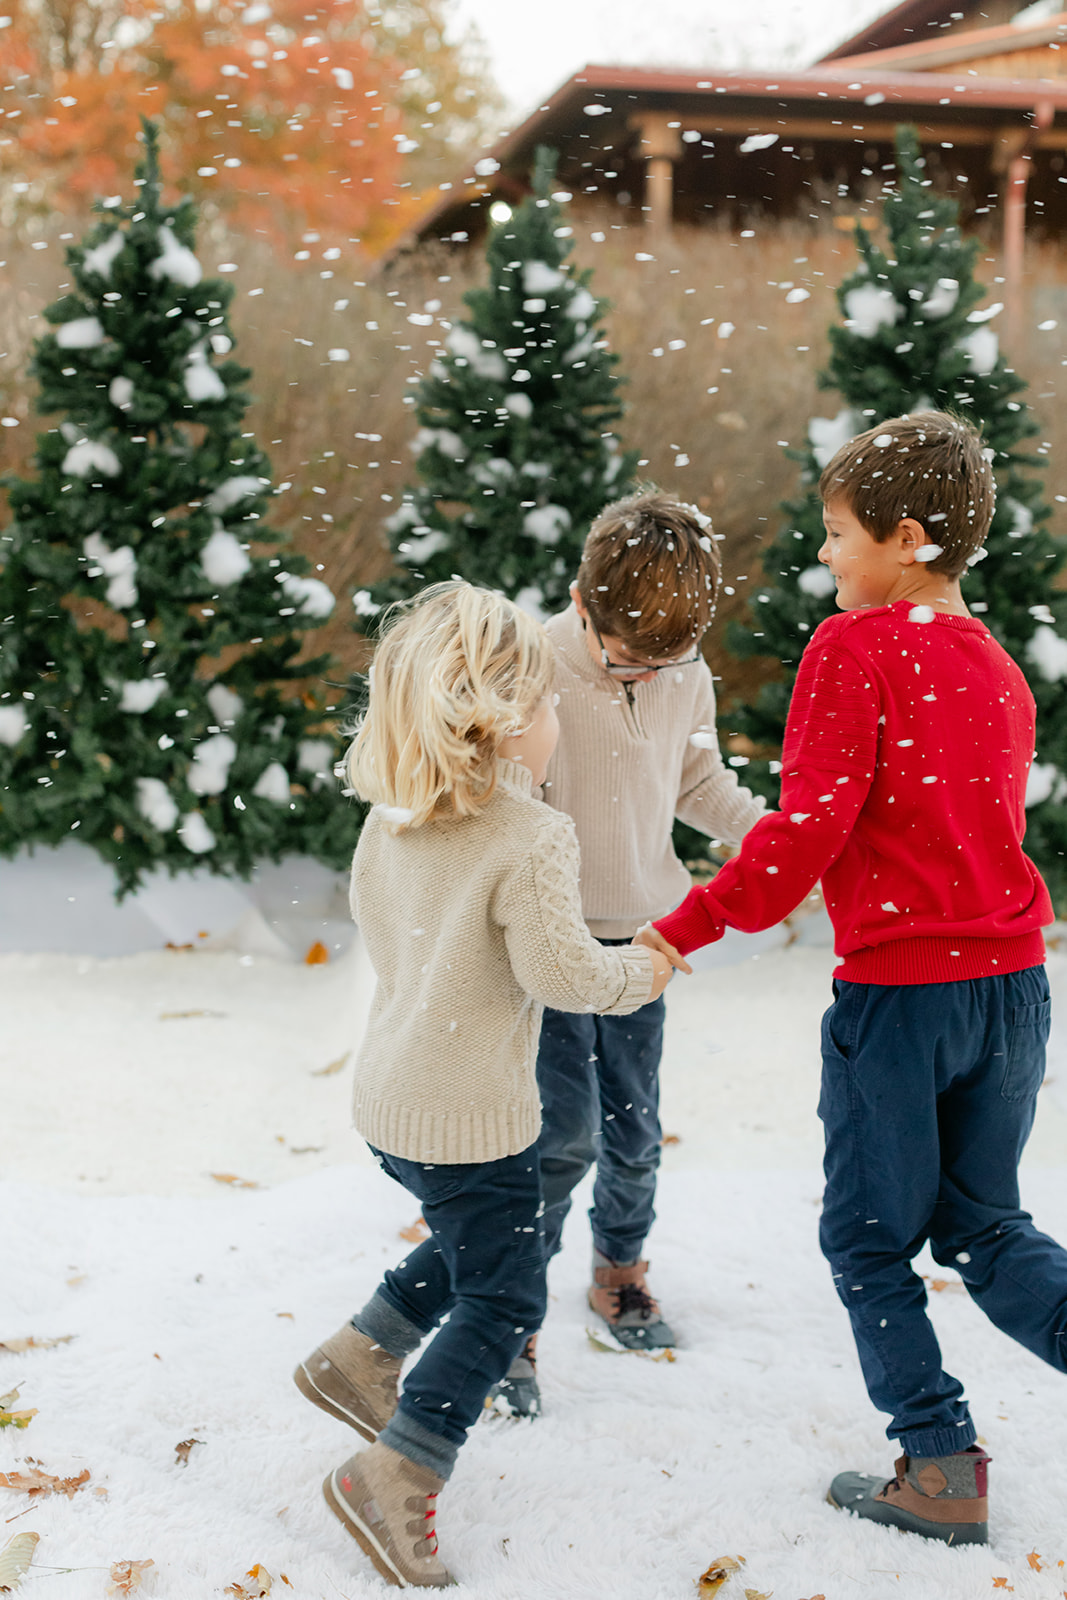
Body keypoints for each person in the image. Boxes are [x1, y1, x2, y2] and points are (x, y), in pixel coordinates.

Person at [637, 411, 1065, 1548]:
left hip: (905, 997)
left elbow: (803, 834)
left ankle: (935, 1464)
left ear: (908, 538)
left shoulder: (855, 650)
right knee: (982, 1225)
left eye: (835, 534)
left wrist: (681, 929)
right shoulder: (997, 670)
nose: (822, 555)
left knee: (870, 1240)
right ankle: (937, 1450)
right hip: (1014, 985)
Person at [293, 581, 670, 1589]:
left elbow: (389, 931)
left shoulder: (394, 819)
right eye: (546, 707)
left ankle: (361, 1352)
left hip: (392, 1100)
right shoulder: (528, 835)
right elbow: (565, 978)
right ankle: (400, 1469)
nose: (556, 725)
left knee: (477, 1245)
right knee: (504, 1292)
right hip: (472, 1118)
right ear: (502, 719)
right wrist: (648, 964)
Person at [490, 490, 765, 1419]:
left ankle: (619, 1272)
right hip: (552, 941)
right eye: (630, 657)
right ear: (581, 599)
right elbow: (503, 805)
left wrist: (768, 838)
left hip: (647, 937)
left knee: (635, 1129)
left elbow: (695, 776)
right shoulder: (531, 665)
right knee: (557, 1136)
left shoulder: (681, 669)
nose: (650, 672)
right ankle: (508, 1315)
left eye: (668, 659)